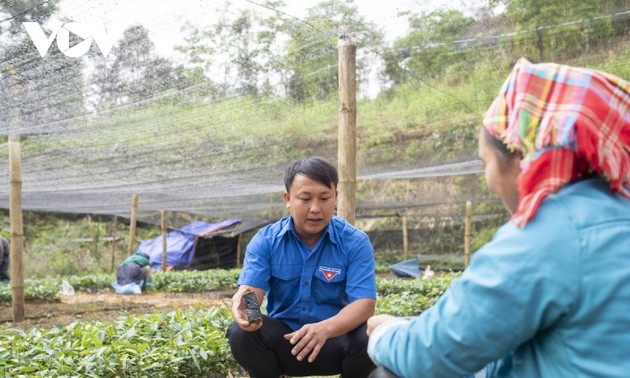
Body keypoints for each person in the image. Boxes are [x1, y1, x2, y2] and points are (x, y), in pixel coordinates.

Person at [367, 58, 630, 377]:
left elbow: (432, 353)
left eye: (485, 162)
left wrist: (385, 332)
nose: (489, 180)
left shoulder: (551, 232)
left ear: (521, 155)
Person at [226, 156, 377, 378]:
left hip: (335, 341)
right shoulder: (266, 240)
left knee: (371, 335)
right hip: (285, 343)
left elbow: (364, 304)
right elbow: (251, 292)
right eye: (305, 199)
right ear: (288, 198)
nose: (315, 208)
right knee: (241, 334)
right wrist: (247, 313)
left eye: (324, 198)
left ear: (335, 197)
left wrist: (324, 328)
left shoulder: (354, 242)